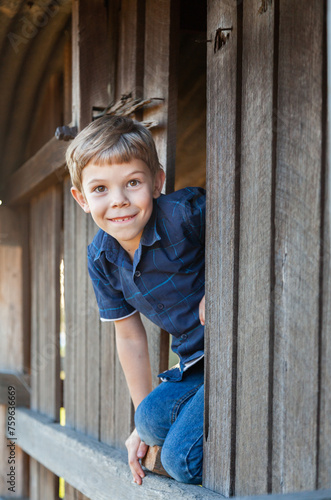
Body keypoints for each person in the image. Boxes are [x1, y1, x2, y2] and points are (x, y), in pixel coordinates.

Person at [66, 115, 206, 485]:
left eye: (132, 183)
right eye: (100, 189)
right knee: (147, 420)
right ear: (81, 198)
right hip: (195, 363)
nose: (119, 201)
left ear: (157, 182)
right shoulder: (102, 258)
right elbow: (129, 336)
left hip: (236, 350)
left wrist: (221, 289)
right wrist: (141, 432)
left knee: (179, 461)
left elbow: (246, 223)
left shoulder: (184, 215)